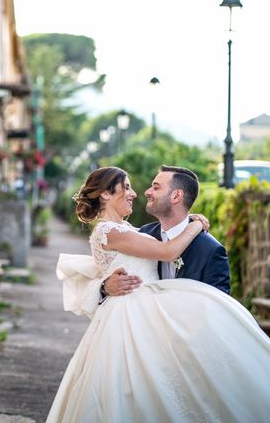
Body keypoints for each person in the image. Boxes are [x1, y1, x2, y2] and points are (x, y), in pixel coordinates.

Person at [47, 166, 270, 422]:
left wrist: (190, 224)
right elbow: (166, 252)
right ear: (105, 195)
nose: (138, 193)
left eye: (154, 186)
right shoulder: (114, 232)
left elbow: (214, 309)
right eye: (127, 187)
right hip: (129, 323)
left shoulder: (194, 247)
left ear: (176, 196)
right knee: (127, 392)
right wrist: (195, 225)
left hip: (177, 340)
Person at [102, 165, 229, 298]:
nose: (147, 192)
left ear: (176, 196)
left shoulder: (211, 250)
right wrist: (105, 286)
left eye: (156, 187)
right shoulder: (144, 234)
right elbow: (104, 269)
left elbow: (218, 307)